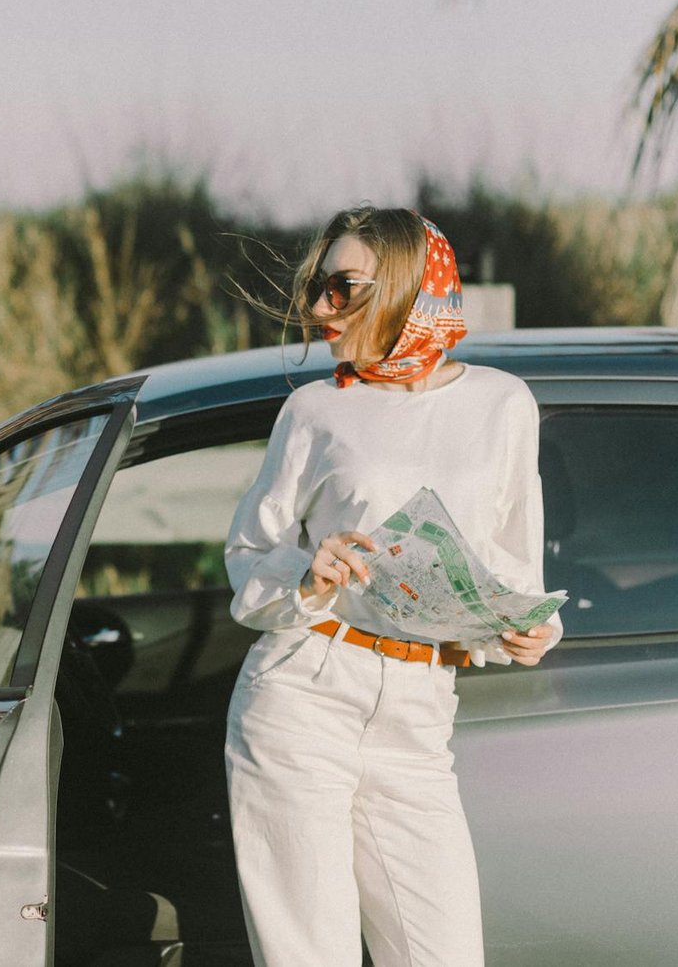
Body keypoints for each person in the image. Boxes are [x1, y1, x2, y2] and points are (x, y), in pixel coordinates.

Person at [223, 205, 562, 967]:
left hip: (419, 716)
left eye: (341, 287)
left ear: (410, 286)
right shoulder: (315, 409)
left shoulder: (502, 404)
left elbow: (512, 567)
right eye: (317, 286)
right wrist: (306, 572)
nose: (318, 308)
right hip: (304, 697)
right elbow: (250, 553)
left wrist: (529, 630)